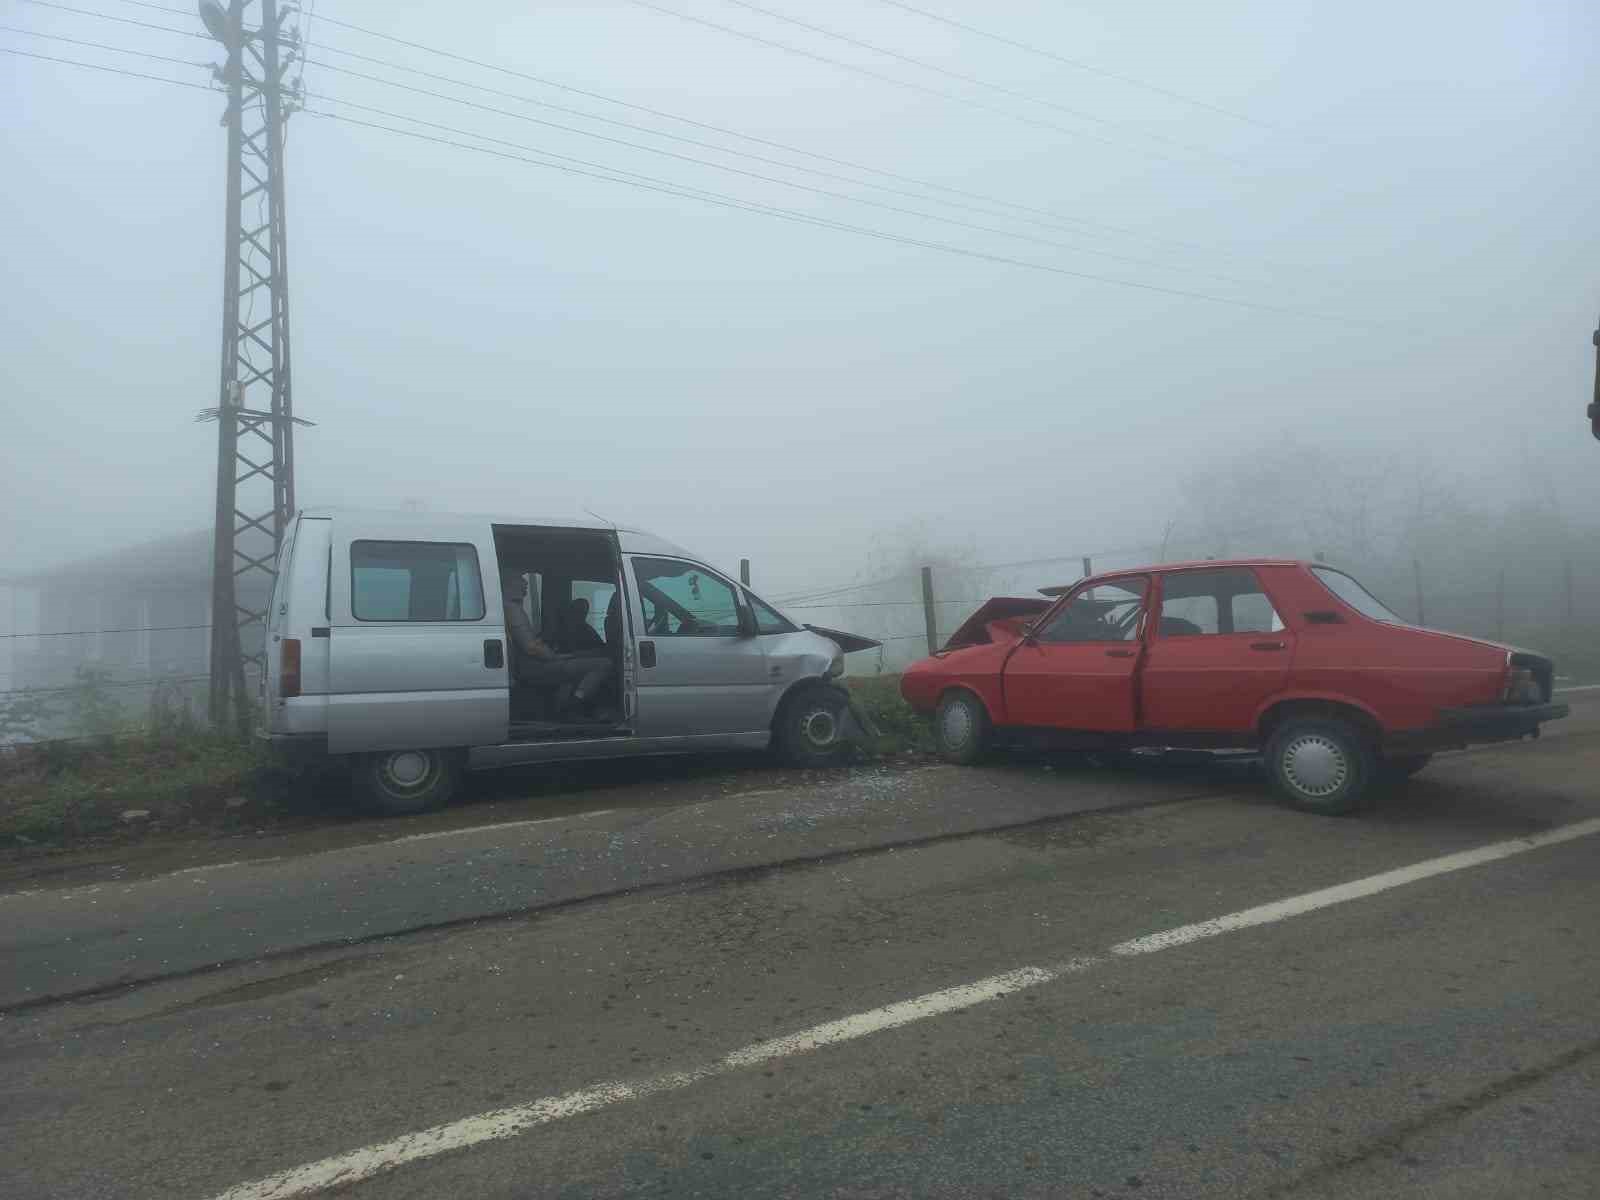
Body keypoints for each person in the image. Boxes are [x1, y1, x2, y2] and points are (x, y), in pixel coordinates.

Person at [501, 571, 612, 716]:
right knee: (604, 664)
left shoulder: (510, 607)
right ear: (508, 585)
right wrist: (553, 656)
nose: (525, 582)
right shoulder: (512, 609)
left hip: (529, 664)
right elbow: (531, 648)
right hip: (532, 666)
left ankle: (562, 707)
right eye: (520, 579)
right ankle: (574, 704)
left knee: (574, 664)